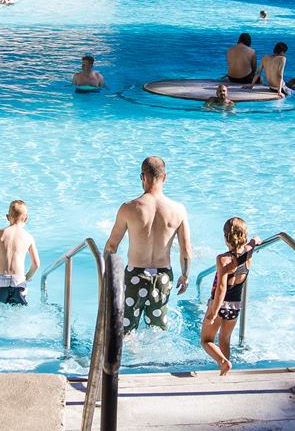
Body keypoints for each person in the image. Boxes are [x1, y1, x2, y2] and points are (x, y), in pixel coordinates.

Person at [105, 155, 193, 334]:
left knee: (127, 331)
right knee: (157, 330)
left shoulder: (129, 208)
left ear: (142, 177)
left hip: (134, 276)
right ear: (165, 177)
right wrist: (185, 275)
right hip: (163, 277)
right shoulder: (178, 210)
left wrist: (109, 278)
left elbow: (111, 247)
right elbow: (185, 250)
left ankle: (132, 358)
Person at [201, 217, 257, 375]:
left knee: (206, 340)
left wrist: (213, 311)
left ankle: (223, 362)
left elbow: (221, 287)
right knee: (225, 339)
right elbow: (252, 243)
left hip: (220, 305)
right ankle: (225, 370)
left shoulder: (223, 259)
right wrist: (254, 240)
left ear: (226, 237)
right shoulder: (248, 254)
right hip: (235, 306)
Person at [0, 199, 41, 305]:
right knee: (19, 313)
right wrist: (27, 277)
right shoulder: (28, 237)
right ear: (26, 218)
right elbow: (36, 264)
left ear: (7, 217)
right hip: (18, 282)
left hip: (1, 282)